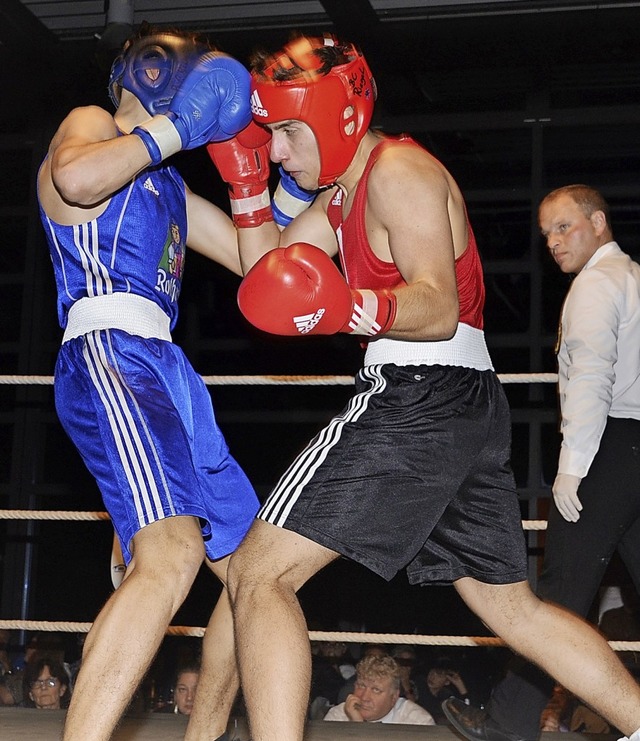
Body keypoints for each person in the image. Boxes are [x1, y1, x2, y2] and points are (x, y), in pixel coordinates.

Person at [206, 35, 640, 741]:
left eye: (286, 131)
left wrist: (350, 306)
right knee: (513, 610)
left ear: (336, 116)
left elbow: (435, 304)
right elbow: (268, 277)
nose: (280, 149)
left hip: (419, 389)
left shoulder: (397, 172)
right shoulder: (343, 193)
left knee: (258, 573)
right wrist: (247, 186)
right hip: (460, 402)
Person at [37, 23, 261, 741]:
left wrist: (261, 183)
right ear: (161, 73)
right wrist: (178, 125)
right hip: (111, 350)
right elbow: (75, 177)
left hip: (168, 372)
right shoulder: (92, 124)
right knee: (170, 555)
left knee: (256, 570)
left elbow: (261, 261)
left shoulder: (164, 182)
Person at [441, 184, 640, 741]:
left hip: (605, 449)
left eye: (564, 227)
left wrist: (573, 465)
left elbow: (591, 381)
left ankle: (509, 721)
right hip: (634, 448)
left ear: (598, 222)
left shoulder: (596, 287)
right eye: (546, 233)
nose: (553, 242)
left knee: (558, 595)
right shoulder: (634, 279)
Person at [323, 654, 435, 724]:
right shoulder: (338, 716)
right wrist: (356, 725)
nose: (364, 697)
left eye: (376, 690)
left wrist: (359, 728)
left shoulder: (417, 722)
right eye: (361, 686)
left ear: (394, 697)